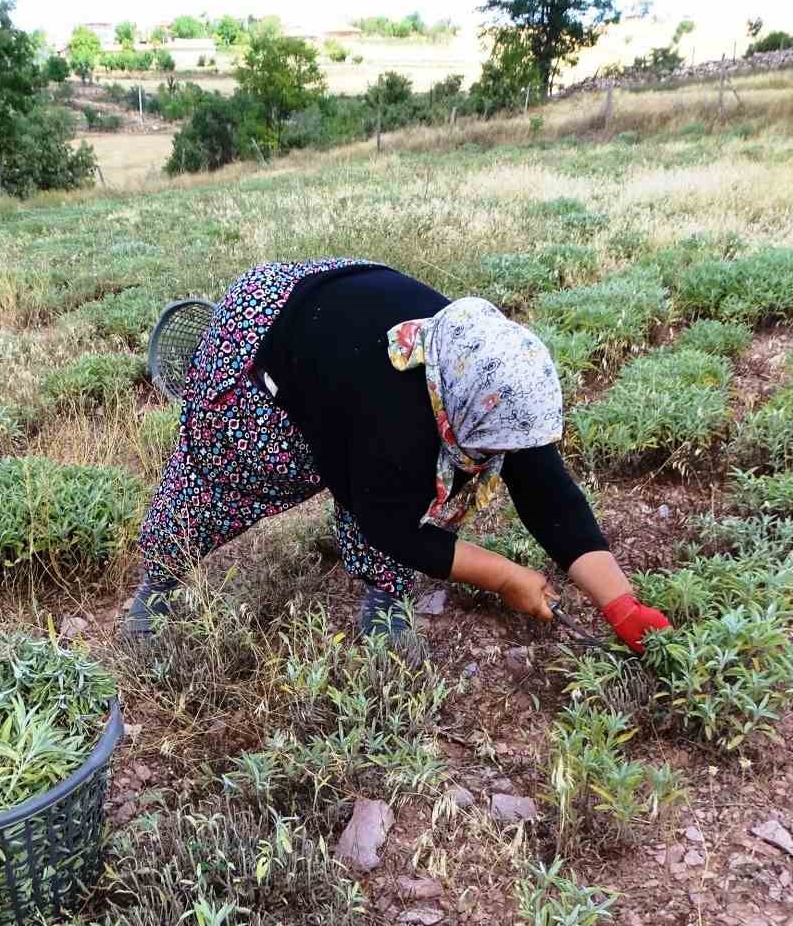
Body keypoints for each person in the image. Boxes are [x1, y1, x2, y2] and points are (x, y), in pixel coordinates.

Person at [126, 258, 673, 653]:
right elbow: (392, 525)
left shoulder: (481, 372)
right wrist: (506, 577)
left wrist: (620, 604)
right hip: (267, 333)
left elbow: (545, 485)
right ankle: (160, 582)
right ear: (449, 409)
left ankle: (384, 599)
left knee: (380, 475)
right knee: (232, 474)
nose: (504, 454)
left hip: (342, 324)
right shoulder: (393, 417)